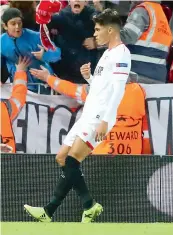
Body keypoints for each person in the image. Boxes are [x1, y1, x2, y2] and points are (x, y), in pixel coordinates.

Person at [24, 9, 131, 223]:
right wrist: (89, 78)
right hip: (89, 113)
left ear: (111, 30)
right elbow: (104, 88)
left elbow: (118, 91)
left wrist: (105, 120)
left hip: (98, 117)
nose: (95, 33)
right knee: (62, 158)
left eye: (98, 29)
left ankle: (82, 206)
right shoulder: (108, 53)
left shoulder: (121, 54)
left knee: (72, 160)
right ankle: (63, 209)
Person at [1, 8, 61, 93]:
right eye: (13, 24)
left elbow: (57, 54)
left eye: (19, 23)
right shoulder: (2, 41)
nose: (17, 27)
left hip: (43, 85)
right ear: (5, 26)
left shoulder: (37, 36)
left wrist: (45, 55)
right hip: (20, 85)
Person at [46, 0, 101, 84]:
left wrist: (97, 43)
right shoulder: (60, 16)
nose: (77, 0)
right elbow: (41, 27)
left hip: (88, 71)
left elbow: (111, 31)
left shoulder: (93, 15)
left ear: (85, 1)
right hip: (65, 71)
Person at [120, 0, 172, 83]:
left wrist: (108, 32)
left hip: (137, 74)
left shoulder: (142, 10)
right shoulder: (161, 12)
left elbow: (127, 36)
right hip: (158, 76)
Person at [0, 56, 30, 153]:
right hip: (8, 161)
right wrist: (20, 72)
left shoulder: (5, 108)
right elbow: (19, 97)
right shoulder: (4, 108)